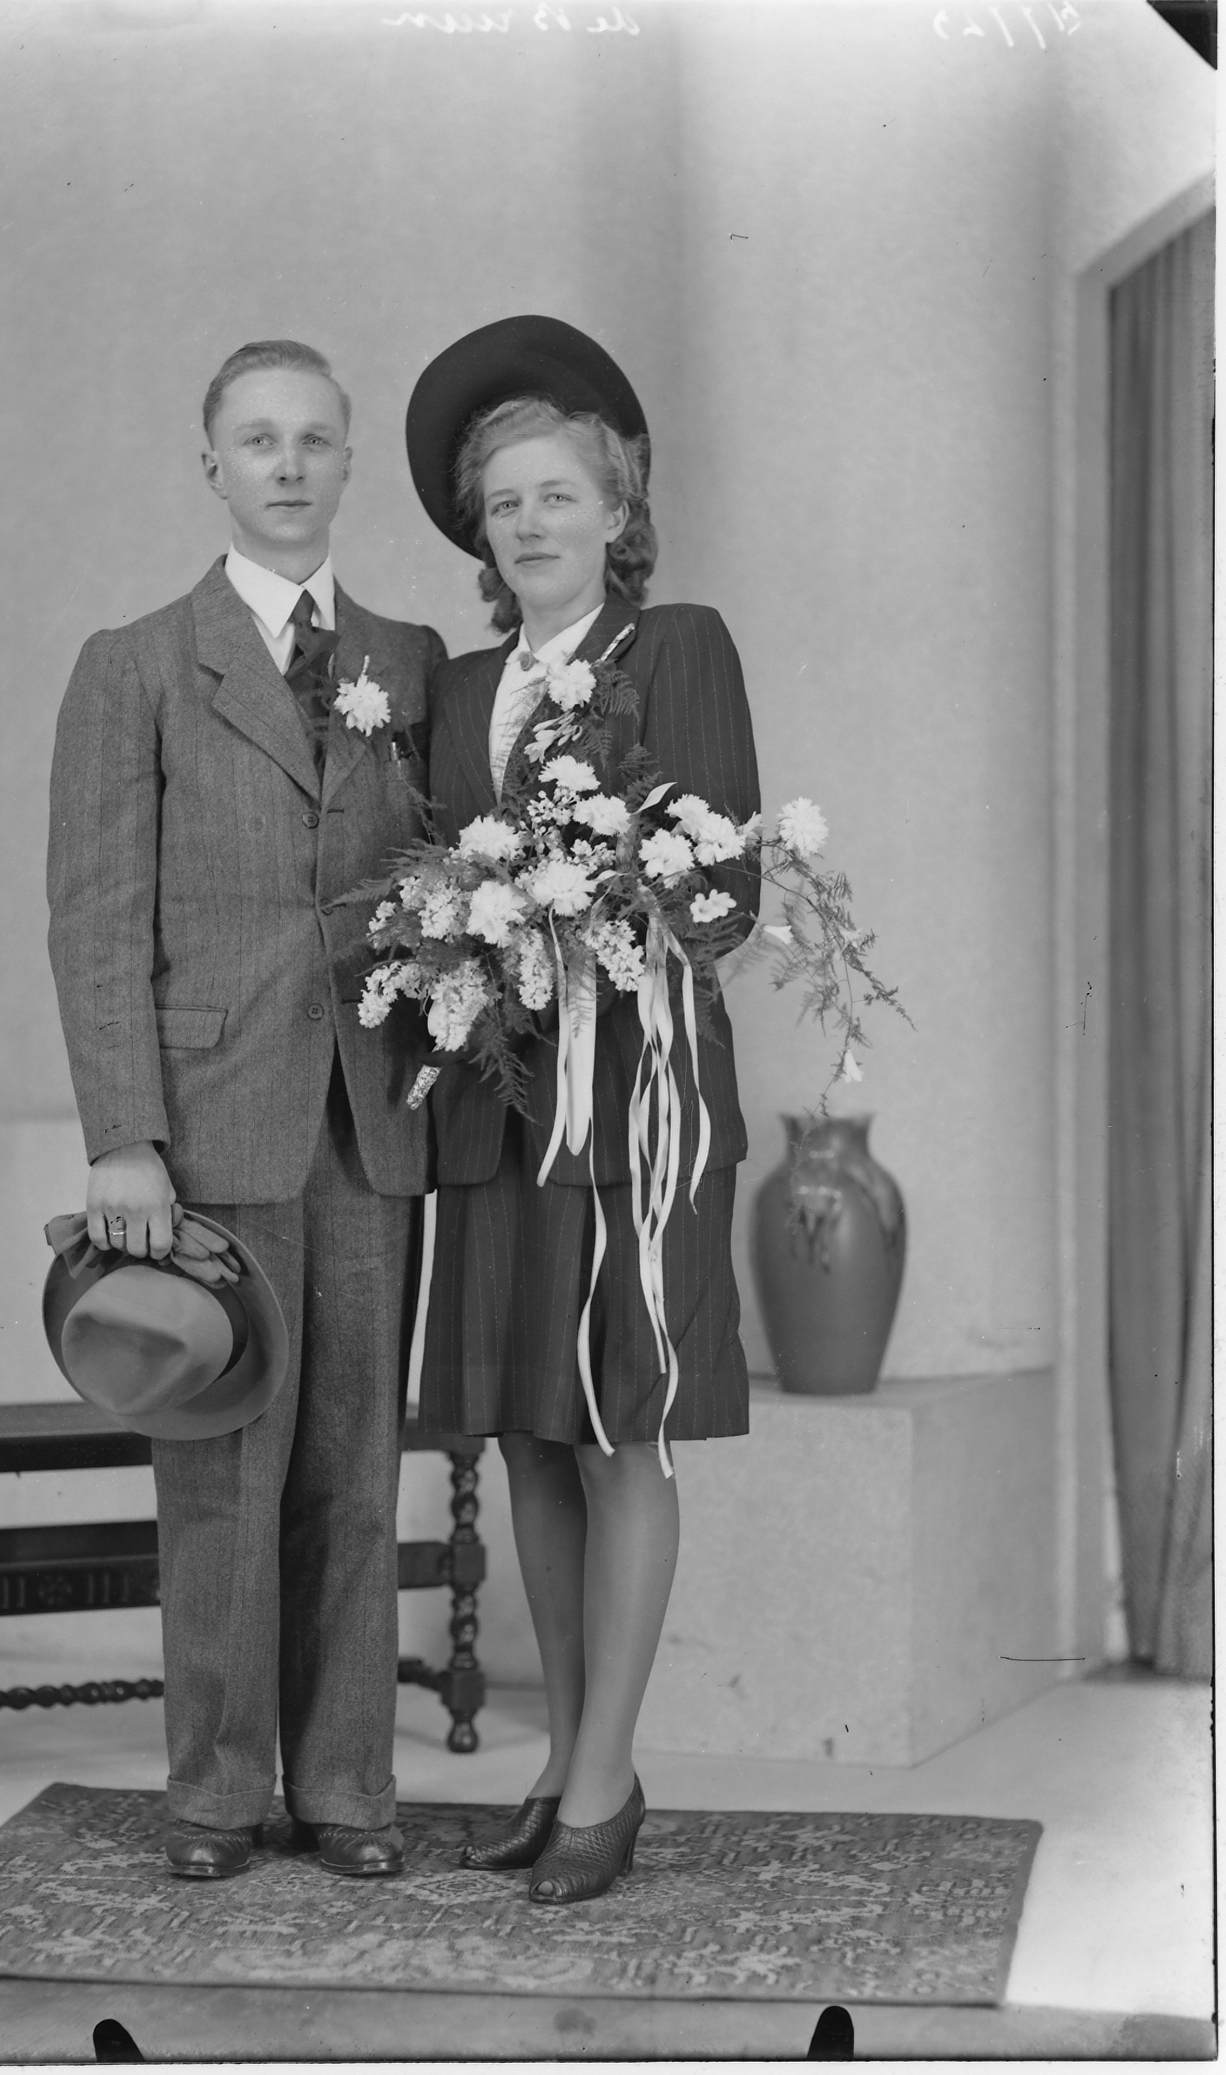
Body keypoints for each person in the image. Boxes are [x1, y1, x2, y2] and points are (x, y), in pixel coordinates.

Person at [48, 340, 444, 1883]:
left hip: (371, 1120)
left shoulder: (410, 661)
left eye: (315, 440)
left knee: (355, 1470)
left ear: (347, 463)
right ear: (209, 464)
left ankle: (346, 1787)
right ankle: (218, 1794)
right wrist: (122, 1136)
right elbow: (97, 918)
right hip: (209, 1123)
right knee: (222, 1476)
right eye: (259, 440)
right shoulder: (137, 663)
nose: (288, 465)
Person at [405, 317, 760, 1904]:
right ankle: (562, 1759)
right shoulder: (459, 685)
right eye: (506, 505)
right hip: (501, 1111)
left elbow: (726, 892)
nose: (531, 523)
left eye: (559, 495)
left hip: (633, 1105)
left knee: (620, 1431)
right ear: (481, 538)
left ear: (617, 510)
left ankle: (607, 1777)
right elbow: (426, 885)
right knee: (531, 1439)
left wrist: (588, 897)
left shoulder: (674, 645)